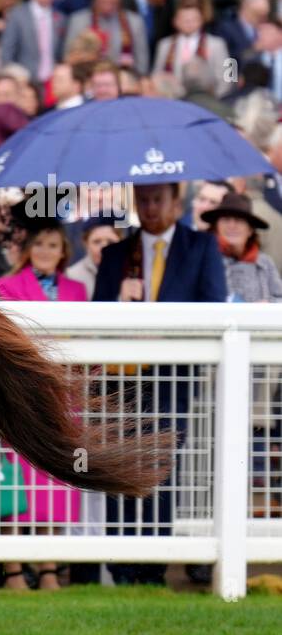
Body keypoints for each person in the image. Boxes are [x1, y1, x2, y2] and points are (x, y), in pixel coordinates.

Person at [93, 181, 227, 586]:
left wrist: (161, 322)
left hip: (171, 377)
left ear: (176, 202)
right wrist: (119, 299)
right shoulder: (117, 254)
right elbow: (95, 314)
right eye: (143, 200)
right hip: (122, 379)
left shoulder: (200, 247)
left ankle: (154, 565)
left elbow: (214, 308)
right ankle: (121, 566)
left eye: (158, 200)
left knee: (161, 467)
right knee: (119, 462)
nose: (150, 207)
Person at [0, 217, 86, 591]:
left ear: (64, 251)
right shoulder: (7, 286)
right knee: (15, 484)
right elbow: (10, 339)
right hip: (21, 395)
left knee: (57, 480)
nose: (46, 251)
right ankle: (14, 569)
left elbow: (85, 343)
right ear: (28, 249)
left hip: (64, 396)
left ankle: (49, 568)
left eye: (54, 244)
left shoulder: (77, 289)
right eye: (40, 244)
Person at [204, 192, 282, 302]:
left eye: (239, 220)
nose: (232, 225)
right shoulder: (204, 260)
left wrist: (268, 304)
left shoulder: (265, 263)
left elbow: (279, 298)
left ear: (250, 230)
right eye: (226, 219)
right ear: (216, 227)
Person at [64, 217, 121, 299]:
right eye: (97, 242)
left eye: (110, 242)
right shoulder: (71, 276)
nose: (104, 248)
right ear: (86, 244)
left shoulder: (130, 273)